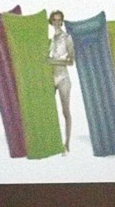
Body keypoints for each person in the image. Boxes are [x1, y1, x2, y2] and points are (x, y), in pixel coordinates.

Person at [48, 10, 74, 154]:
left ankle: (67, 143)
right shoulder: (50, 39)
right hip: (51, 77)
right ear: (51, 22)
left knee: (65, 111)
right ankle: (53, 142)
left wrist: (53, 61)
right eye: (54, 20)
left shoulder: (67, 38)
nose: (57, 22)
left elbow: (71, 61)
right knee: (49, 110)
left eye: (59, 20)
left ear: (62, 21)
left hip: (63, 77)